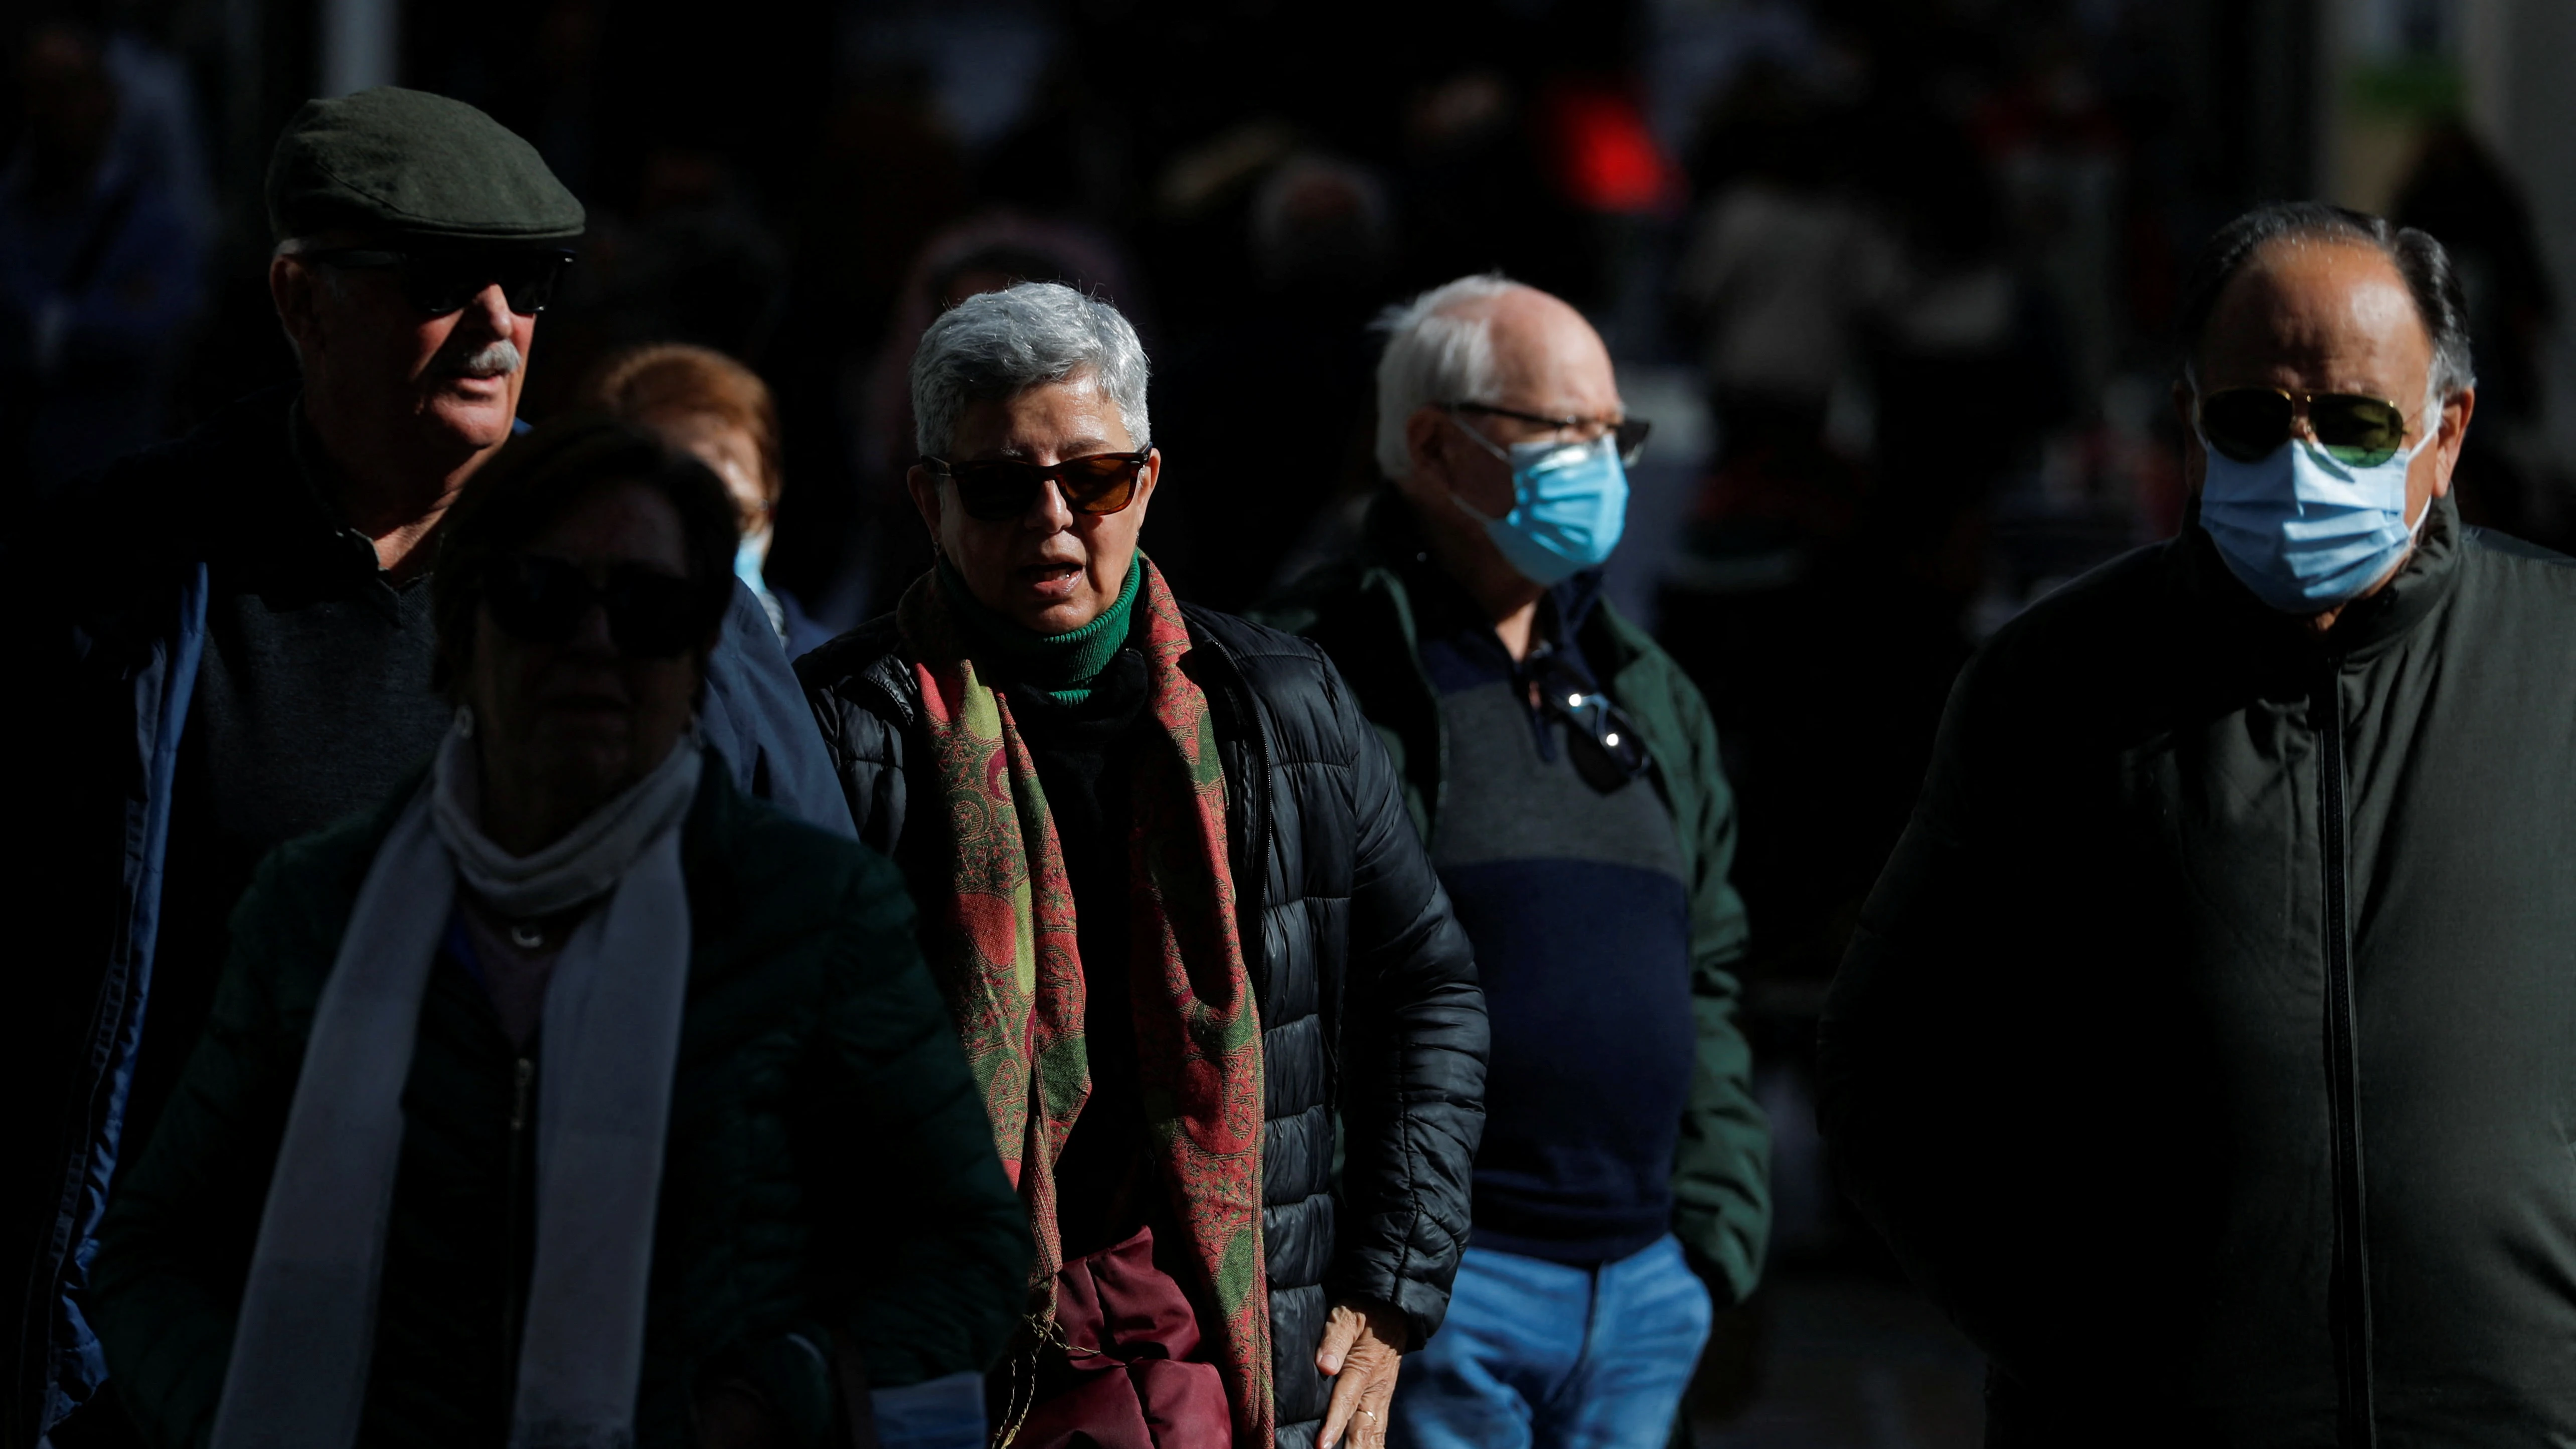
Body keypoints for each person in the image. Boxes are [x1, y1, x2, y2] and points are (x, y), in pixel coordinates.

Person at [0, 87, 848, 1448]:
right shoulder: (126, 571)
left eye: (533, 282)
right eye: (446, 279)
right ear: (302, 299)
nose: (501, 320)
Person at [88, 419, 1029, 1449]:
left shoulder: (810, 914)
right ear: (464, 632)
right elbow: (152, 1252)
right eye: (541, 598)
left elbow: (965, 1249)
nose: (593, 643)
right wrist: (247, 1412)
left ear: (701, 654)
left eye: (646, 607)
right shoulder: (318, 904)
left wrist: (777, 1393)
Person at [1813, 201, 2576, 1443]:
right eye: (2248, 418)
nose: (2298, 459)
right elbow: (1890, 1058)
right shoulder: (2053, 684)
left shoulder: (2556, 662)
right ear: (2187, 424)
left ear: (2445, 432)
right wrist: (2063, 1339)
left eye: (2350, 420)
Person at [795, 281, 1489, 1449]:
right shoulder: (834, 736)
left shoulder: (1279, 704)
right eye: (1002, 486)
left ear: (1148, 482)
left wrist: (1390, 1288)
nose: (1055, 523)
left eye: (1095, 480)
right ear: (927, 497)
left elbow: (1425, 983)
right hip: (949, 1370)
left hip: (1228, 1353)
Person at [1255, 274, 1770, 1448]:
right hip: (1430, 1304)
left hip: (1640, 1288)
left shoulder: (1644, 688)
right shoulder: (1313, 677)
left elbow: (1712, 967)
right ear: (1434, 445)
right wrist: (1366, 1270)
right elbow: (1280, 998)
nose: (1602, 462)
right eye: (1564, 431)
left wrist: (1708, 1238)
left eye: (1614, 433)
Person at [582, 341, 834, 655]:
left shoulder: (835, 683)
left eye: (737, 514)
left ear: (770, 500)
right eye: (681, 510)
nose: (715, 538)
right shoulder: (586, 656)